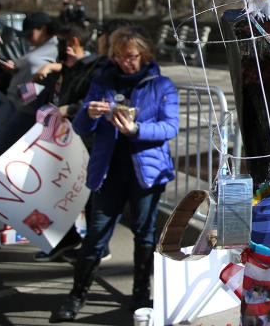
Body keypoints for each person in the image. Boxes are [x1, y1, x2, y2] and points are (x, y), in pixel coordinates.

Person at [51, 27, 179, 322]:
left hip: (146, 171)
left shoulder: (161, 85)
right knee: (96, 232)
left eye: (131, 57)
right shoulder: (102, 81)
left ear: (144, 55)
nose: (125, 63)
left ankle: (139, 294)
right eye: (120, 57)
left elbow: (169, 127)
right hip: (108, 169)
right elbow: (82, 128)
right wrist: (88, 113)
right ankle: (77, 295)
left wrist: (136, 130)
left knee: (145, 233)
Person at [32, 21, 109, 262]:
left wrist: (71, 108)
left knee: (88, 194)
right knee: (59, 188)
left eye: (63, 42)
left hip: (84, 140)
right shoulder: (69, 66)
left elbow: (90, 100)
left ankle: (94, 245)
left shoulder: (96, 66)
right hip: (64, 137)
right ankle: (68, 238)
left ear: (73, 42)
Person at [0, 11, 60, 155]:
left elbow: (41, 81)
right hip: (20, 104)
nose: (28, 39)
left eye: (30, 34)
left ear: (42, 29)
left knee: (2, 153)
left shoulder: (56, 47)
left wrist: (50, 67)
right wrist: (16, 70)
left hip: (30, 110)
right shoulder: (40, 47)